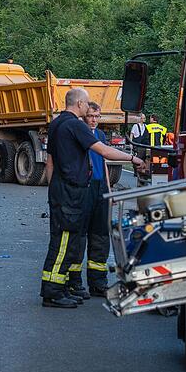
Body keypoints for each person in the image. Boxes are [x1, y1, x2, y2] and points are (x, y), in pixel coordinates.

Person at [41, 88, 147, 308]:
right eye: (87, 103)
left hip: (61, 189)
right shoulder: (76, 125)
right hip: (71, 191)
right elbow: (105, 152)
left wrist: (54, 192)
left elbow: (50, 162)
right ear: (79, 103)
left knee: (65, 240)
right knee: (63, 243)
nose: (88, 107)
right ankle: (52, 292)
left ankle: (59, 288)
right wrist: (134, 159)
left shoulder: (57, 124)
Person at [78, 102, 110, 297]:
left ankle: (98, 283)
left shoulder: (100, 136)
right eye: (91, 116)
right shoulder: (80, 134)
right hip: (85, 187)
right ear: (83, 116)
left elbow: (104, 161)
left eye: (97, 117)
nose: (94, 120)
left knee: (100, 236)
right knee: (80, 235)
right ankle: (74, 282)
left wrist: (108, 189)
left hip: (100, 188)